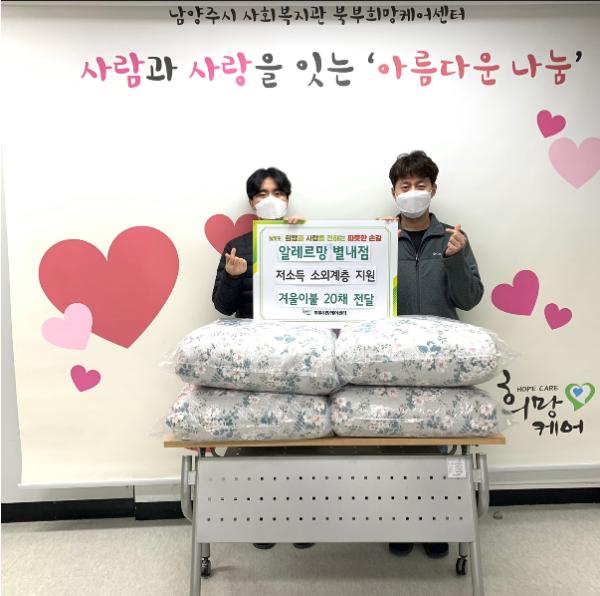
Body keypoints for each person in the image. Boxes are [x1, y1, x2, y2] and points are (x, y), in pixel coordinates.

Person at [384, 150, 484, 559]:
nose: (413, 192)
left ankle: (438, 524)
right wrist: (371, 242)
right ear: (394, 192)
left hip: (442, 357)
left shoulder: (453, 238)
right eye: (405, 186)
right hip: (391, 356)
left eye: (420, 185)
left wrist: (456, 258)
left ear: (433, 189)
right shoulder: (381, 236)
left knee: (440, 442)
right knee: (396, 441)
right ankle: (400, 522)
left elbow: (470, 298)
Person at [211, 166, 312, 551]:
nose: (271, 200)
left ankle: (304, 520)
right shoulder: (237, 245)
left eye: (278, 193)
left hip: (300, 350)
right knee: (259, 437)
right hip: (255, 353)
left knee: (302, 435)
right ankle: (263, 522)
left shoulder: (305, 234)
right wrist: (234, 276)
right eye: (262, 194)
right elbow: (223, 306)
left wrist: (305, 238)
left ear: (287, 198)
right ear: (252, 202)